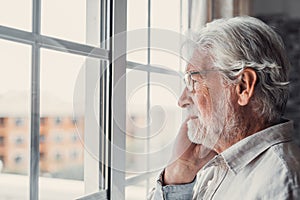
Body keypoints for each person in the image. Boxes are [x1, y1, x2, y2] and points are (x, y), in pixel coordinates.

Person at [148, 16, 300, 199]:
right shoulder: (215, 166)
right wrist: (179, 172)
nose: (182, 101)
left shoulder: (280, 183)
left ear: (244, 86)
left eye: (194, 81)